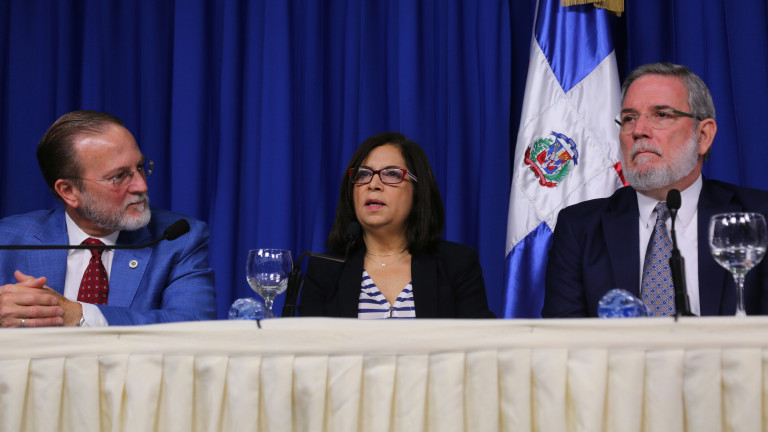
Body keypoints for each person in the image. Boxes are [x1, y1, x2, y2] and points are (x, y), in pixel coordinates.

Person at [543, 62, 768, 317]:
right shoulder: (579, 228)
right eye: (629, 118)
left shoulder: (760, 217)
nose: (638, 131)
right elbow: (564, 336)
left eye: (661, 115)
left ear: (703, 135)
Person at [0, 110, 216, 327]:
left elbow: (195, 325)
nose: (141, 186)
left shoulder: (178, 239)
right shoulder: (8, 240)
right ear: (69, 191)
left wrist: (79, 315)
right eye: (119, 176)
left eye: (140, 167)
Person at [298, 132, 495, 318]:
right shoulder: (325, 270)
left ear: (418, 191)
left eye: (391, 174)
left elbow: (481, 339)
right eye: (363, 174)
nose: (373, 184)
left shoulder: (456, 265)